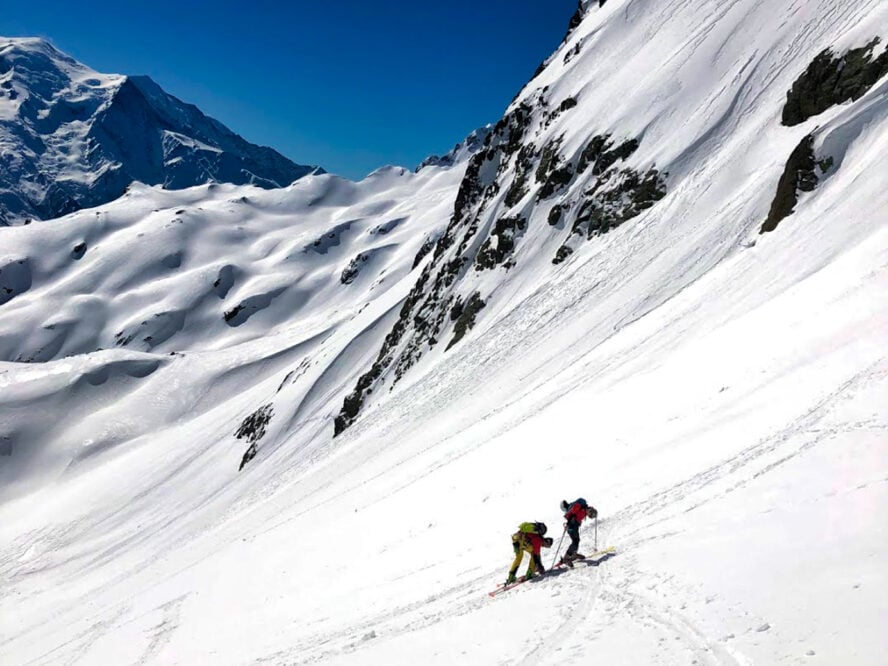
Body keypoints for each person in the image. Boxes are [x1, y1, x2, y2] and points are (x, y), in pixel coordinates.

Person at [558, 498, 598, 567]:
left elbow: (574, 514)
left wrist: (570, 521)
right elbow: (575, 514)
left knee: (576, 541)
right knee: (575, 541)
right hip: (572, 527)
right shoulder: (575, 507)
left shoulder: (572, 508)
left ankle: (573, 555)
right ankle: (566, 558)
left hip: (573, 526)